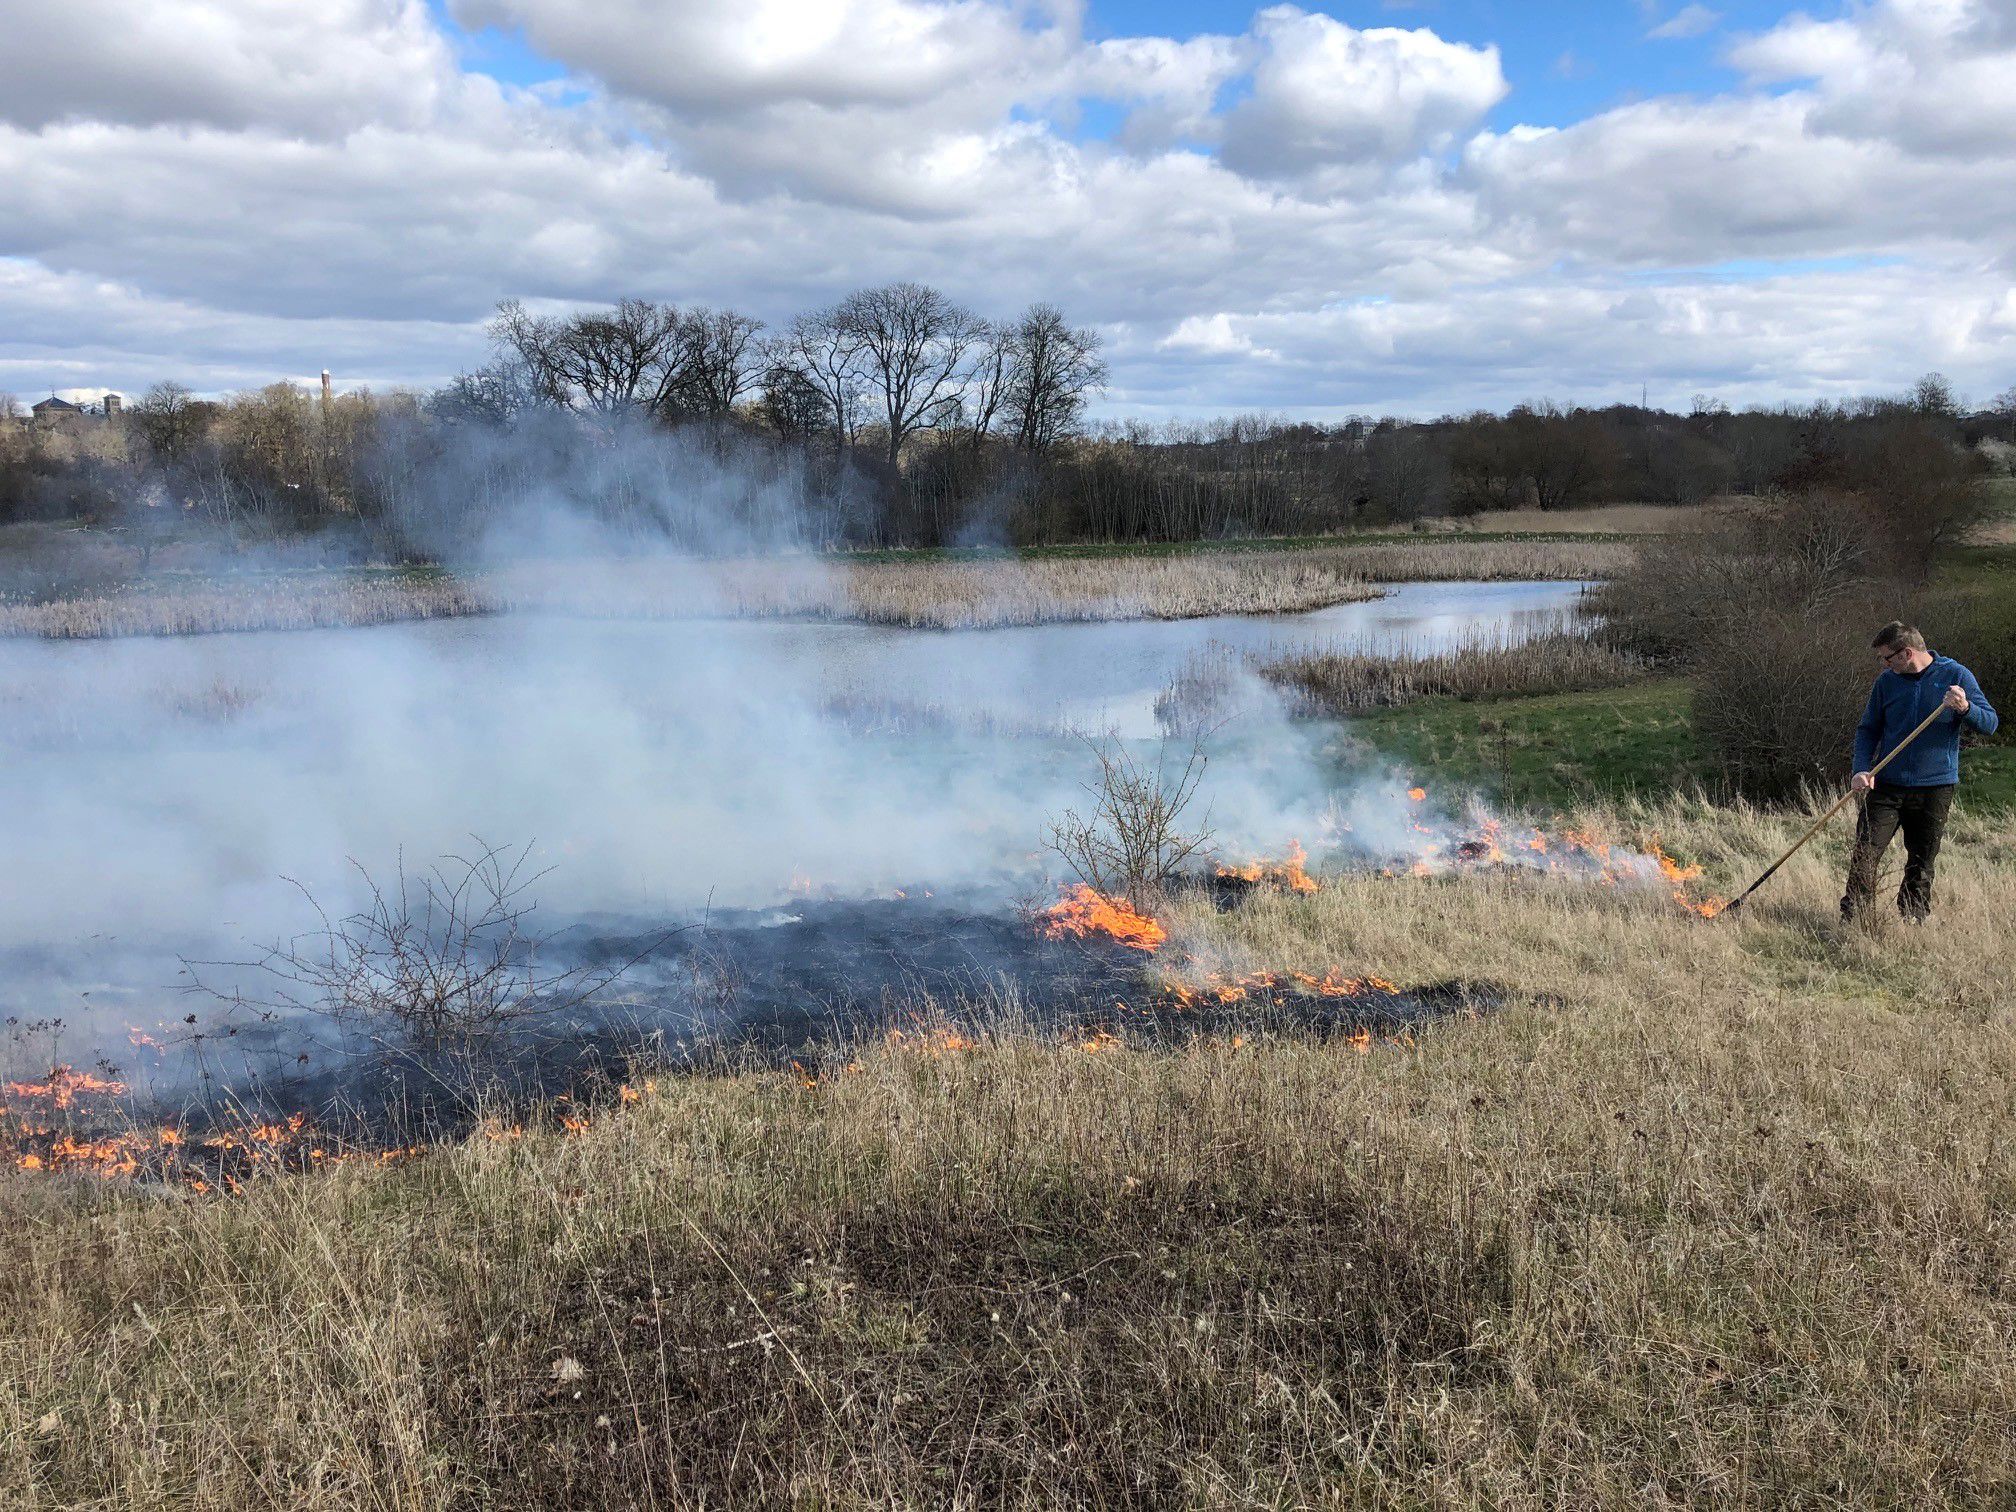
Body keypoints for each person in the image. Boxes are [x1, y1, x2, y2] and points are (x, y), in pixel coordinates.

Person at [1841, 620, 1998, 923]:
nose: (1884, 665)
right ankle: (1854, 917)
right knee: (1865, 854)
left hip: (1935, 787)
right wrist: (1861, 769)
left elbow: (1990, 724)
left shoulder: (1956, 675)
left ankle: (1913, 917)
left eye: (1887, 658)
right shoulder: (1886, 683)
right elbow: (1867, 730)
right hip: (1885, 785)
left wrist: (1965, 708)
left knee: (1922, 861)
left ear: (1906, 653)